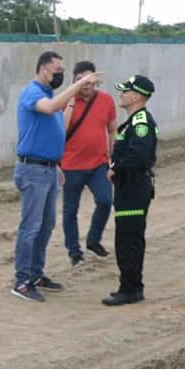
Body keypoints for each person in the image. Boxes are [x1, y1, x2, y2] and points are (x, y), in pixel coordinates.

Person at [10, 50, 100, 302]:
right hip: (33, 170)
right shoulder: (34, 93)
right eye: (56, 71)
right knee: (31, 226)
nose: (60, 75)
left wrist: (55, 164)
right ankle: (22, 280)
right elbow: (49, 109)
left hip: (48, 168)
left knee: (46, 224)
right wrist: (78, 85)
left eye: (62, 71)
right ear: (42, 69)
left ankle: (36, 274)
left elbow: (54, 127)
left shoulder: (50, 93)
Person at [103, 75, 158, 307]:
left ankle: (130, 289)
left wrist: (116, 167)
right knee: (127, 238)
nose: (121, 95)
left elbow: (140, 155)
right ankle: (131, 286)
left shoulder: (141, 121)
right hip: (130, 188)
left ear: (136, 96)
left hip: (134, 188)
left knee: (128, 240)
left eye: (125, 91)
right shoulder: (135, 120)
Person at [60, 60, 117, 266]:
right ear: (74, 81)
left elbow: (112, 128)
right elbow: (62, 131)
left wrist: (113, 153)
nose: (87, 85)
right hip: (70, 165)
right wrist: (72, 99)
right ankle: (74, 251)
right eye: (82, 80)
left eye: (90, 80)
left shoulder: (106, 100)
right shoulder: (66, 100)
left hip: (98, 164)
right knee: (70, 210)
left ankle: (93, 240)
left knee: (105, 200)